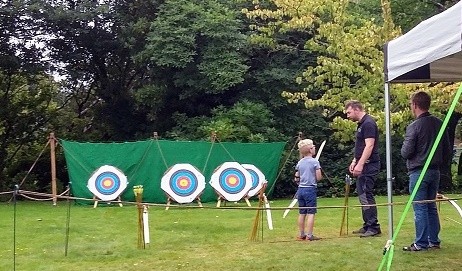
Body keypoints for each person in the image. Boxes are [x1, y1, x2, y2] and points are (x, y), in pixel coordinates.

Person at [401, 91, 451, 251]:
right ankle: (434, 240)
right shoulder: (439, 123)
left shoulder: (414, 126)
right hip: (435, 171)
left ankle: (420, 243)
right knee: (430, 206)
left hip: (419, 171)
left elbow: (406, 152)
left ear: (415, 105)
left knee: (420, 206)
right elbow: (447, 150)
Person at [345, 100, 381, 237]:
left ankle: (373, 227)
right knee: (362, 195)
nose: (347, 115)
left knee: (366, 195)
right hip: (363, 164)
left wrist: (360, 164)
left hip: (369, 165)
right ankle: (367, 225)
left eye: (348, 112)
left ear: (356, 109)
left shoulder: (368, 123)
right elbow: (360, 146)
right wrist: (355, 160)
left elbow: (369, 146)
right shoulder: (361, 124)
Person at [294, 139, 322, 241]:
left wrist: (300, 182)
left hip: (300, 189)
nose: (315, 148)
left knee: (302, 212)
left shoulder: (300, 162)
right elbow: (318, 177)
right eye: (313, 146)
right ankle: (309, 235)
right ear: (310, 150)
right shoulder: (315, 162)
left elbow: (296, 177)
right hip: (310, 189)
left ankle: (301, 234)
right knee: (311, 212)